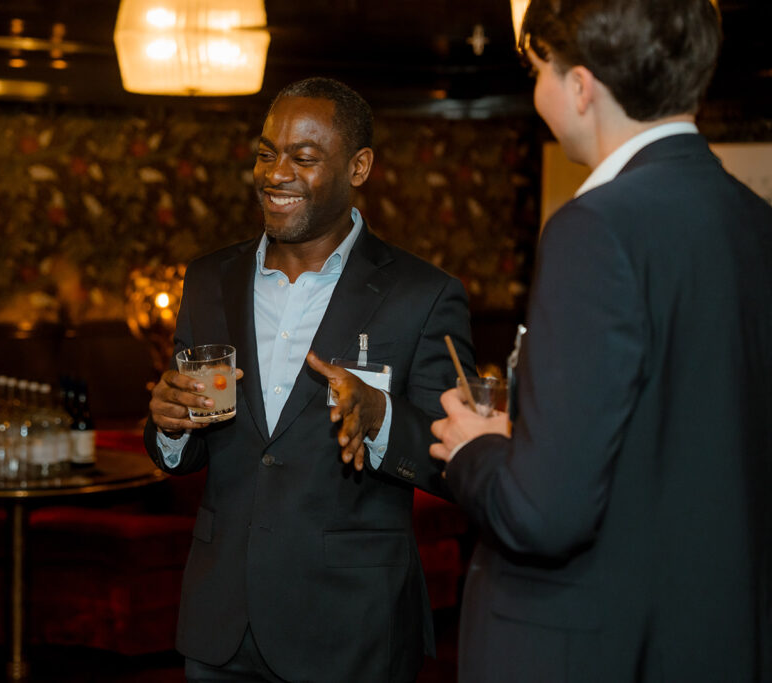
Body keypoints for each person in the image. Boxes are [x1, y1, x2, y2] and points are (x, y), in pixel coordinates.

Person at [430, 1, 772, 680]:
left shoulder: (596, 228)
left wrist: (477, 450)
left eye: (539, 71)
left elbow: (543, 513)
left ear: (580, 86)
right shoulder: (755, 221)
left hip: (601, 647)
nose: (538, 93)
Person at [145, 77, 475, 682]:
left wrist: (380, 418)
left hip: (351, 629)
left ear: (359, 167)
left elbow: (457, 459)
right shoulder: (209, 280)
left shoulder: (421, 295)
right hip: (221, 623)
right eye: (266, 153)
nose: (276, 173)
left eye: (303, 157)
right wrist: (168, 426)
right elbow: (188, 445)